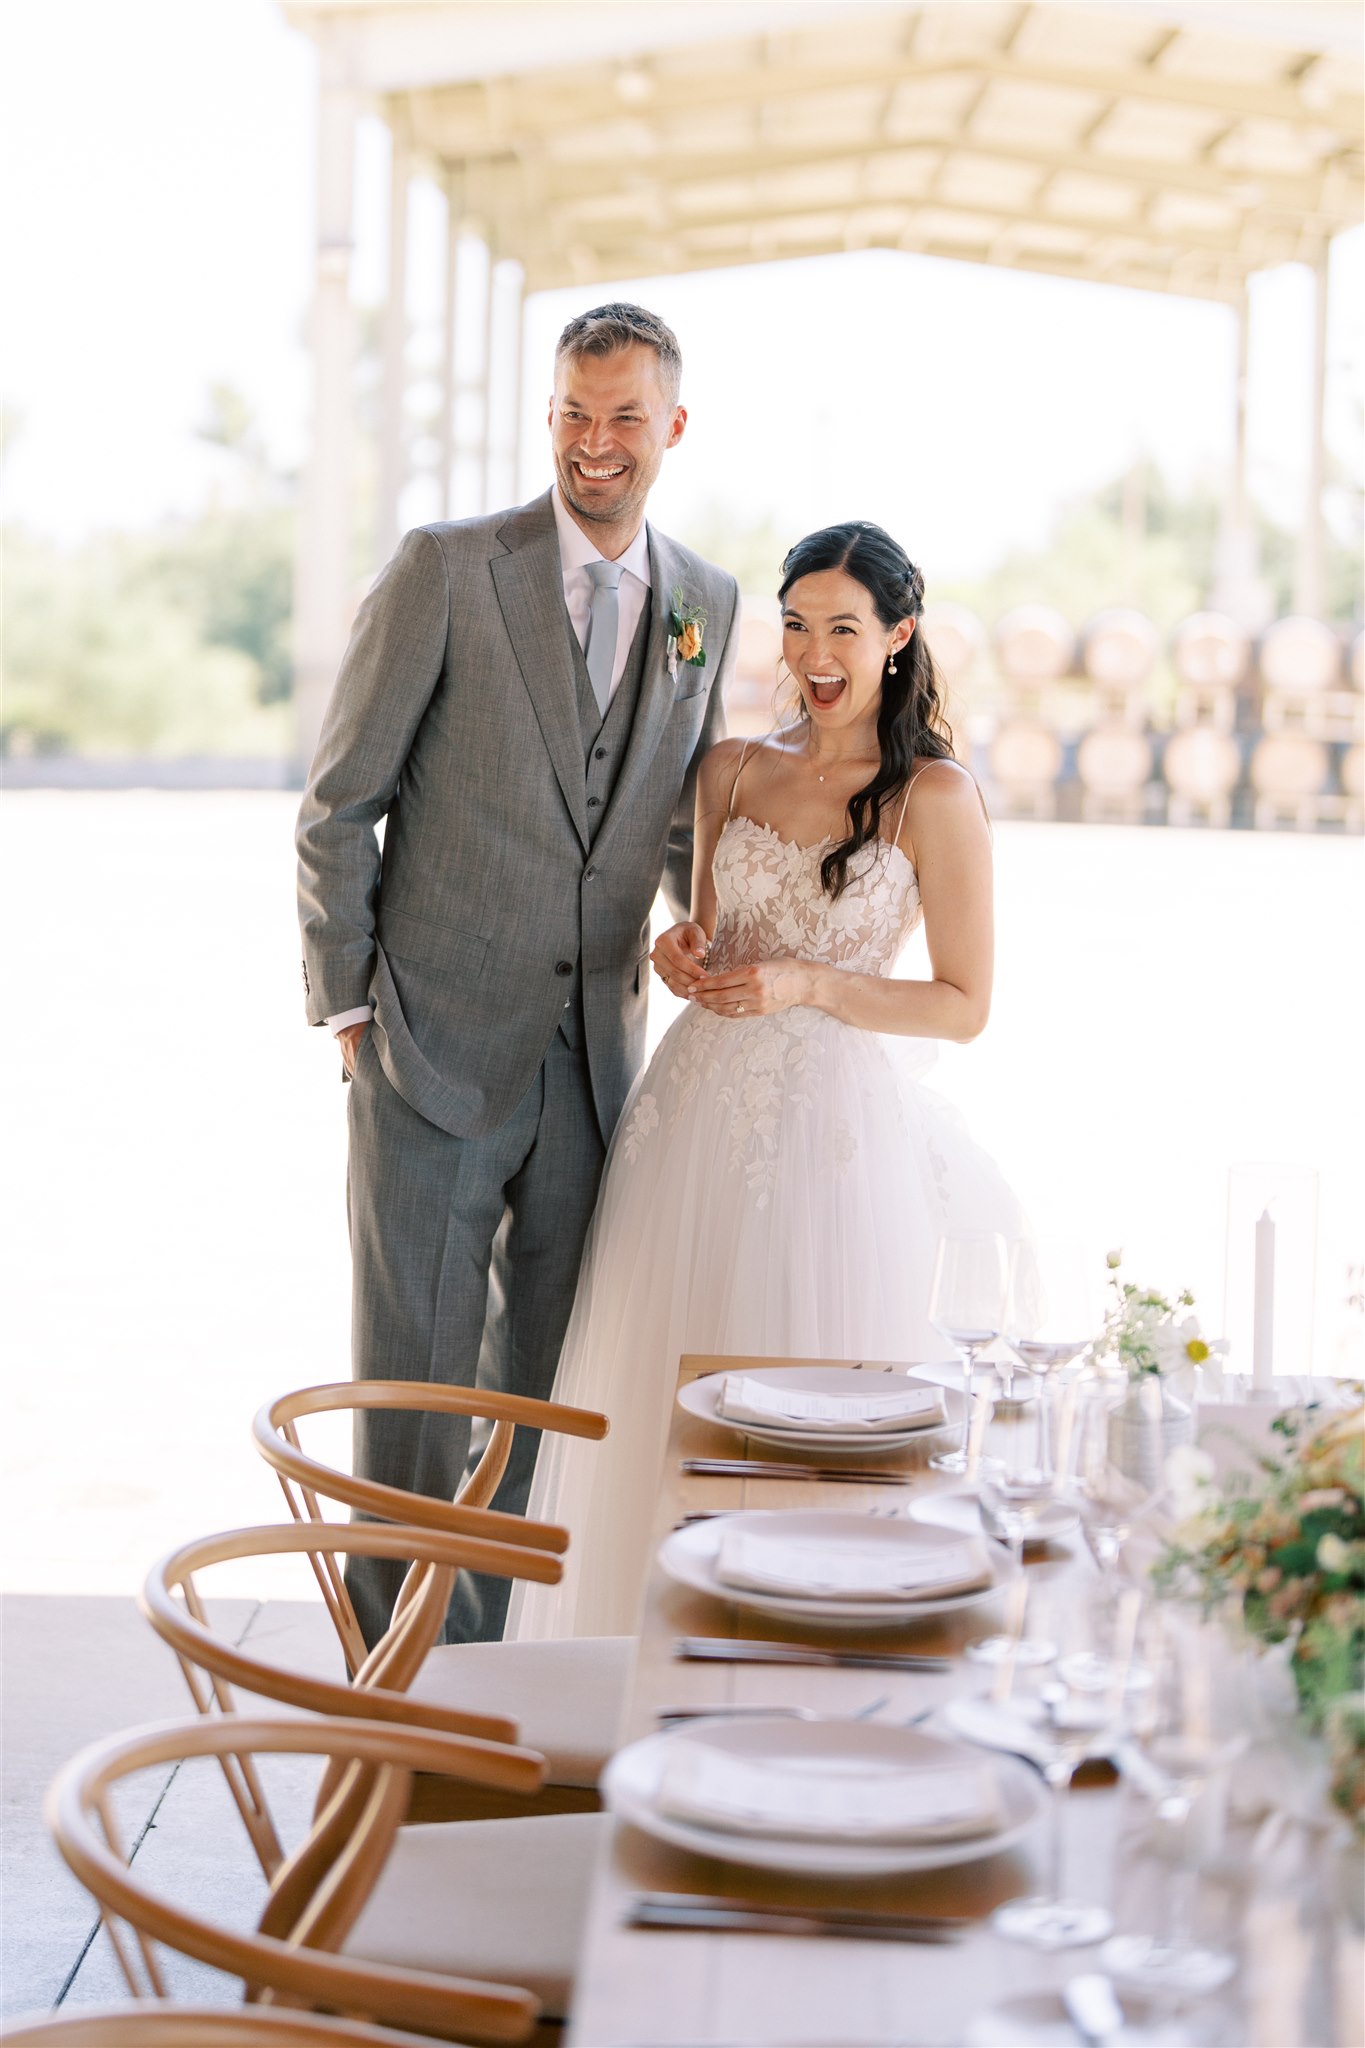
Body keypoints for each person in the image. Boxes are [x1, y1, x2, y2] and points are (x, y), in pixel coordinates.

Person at [296, 303, 739, 1648]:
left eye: (620, 418)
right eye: (570, 413)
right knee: (415, 1404)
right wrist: (351, 1005)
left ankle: (484, 1671)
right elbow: (339, 804)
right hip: (430, 1047)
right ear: (546, 414)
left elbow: (664, 818)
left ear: (670, 427)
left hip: (596, 1065)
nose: (592, 446)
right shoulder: (446, 568)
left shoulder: (703, 606)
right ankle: (394, 1699)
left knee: (542, 1397)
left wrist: (698, 923)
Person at [508, 520, 1023, 1641]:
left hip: (831, 1140)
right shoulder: (731, 766)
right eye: (797, 626)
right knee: (658, 1381)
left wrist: (809, 983)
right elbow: (703, 929)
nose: (815, 652)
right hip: (687, 1121)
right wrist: (678, 950)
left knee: (806, 1394)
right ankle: (631, 1673)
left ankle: (803, 1674)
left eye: (844, 626)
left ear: (899, 634)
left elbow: (963, 1004)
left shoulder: (936, 795)